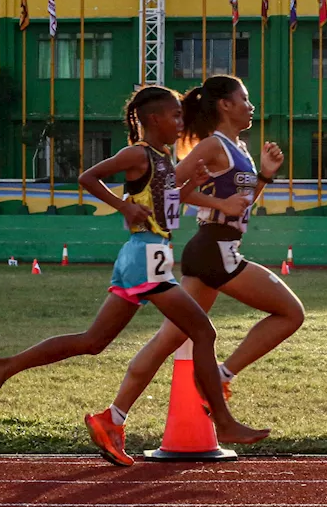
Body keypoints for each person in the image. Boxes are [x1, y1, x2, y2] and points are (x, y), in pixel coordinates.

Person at [0, 85, 269, 447]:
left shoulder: (163, 158)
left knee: (93, 341)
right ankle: (223, 423)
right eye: (175, 116)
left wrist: (187, 189)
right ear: (153, 119)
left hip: (146, 255)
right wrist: (123, 206)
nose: (182, 122)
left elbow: (163, 208)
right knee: (203, 332)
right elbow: (89, 176)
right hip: (146, 257)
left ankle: (6, 365)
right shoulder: (138, 154)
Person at [84, 75, 304, 466]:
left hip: (219, 247)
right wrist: (212, 203)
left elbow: (240, 203)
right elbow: (169, 187)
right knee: (290, 313)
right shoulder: (212, 145)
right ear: (225, 105)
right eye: (245, 98)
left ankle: (111, 418)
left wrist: (265, 176)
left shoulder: (239, 148)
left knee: (168, 338)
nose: (251, 106)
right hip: (214, 249)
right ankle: (221, 376)